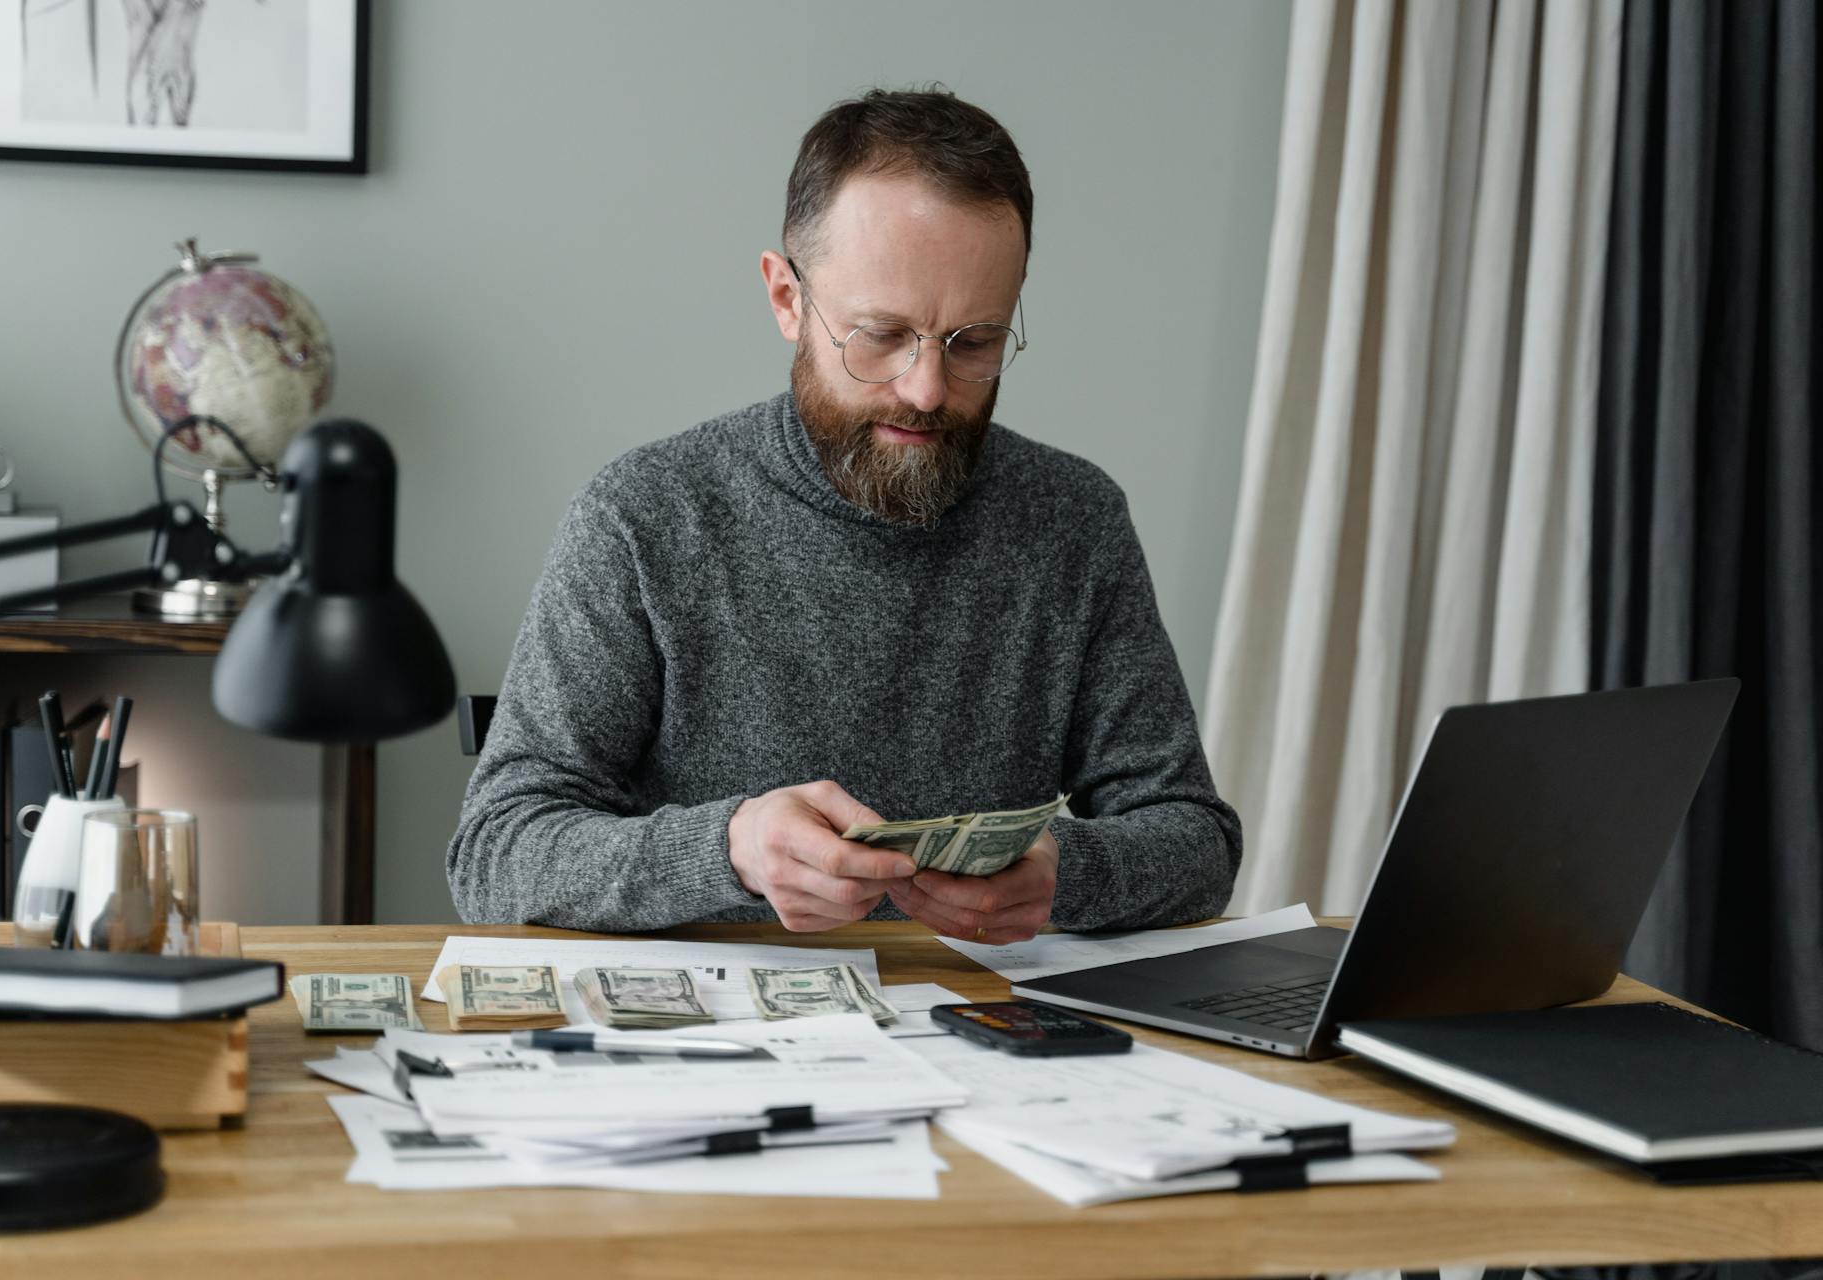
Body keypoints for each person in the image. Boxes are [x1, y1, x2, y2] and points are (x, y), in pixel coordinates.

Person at [447, 87, 1241, 944]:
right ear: (787, 298)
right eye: (880, 334)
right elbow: (495, 852)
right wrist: (728, 851)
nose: (927, 388)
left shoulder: (1073, 522)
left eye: (974, 342)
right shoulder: (641, 517)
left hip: (989, 1041)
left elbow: (1196, 841)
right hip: (709, 1048)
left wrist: (1067, 876)